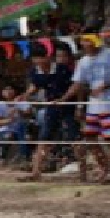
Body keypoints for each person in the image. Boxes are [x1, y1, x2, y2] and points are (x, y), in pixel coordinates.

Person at [60, 34, 110, 182]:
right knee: (90, 137)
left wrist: (104, 86)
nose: (85, 44)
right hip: (93, 105)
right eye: (83, 41)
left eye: (87, 41)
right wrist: (64, 99)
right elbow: (78, 84)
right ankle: (105, 168)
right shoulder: (83, 61)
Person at [25, 43, 78, 180]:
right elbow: (35, 86)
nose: (39, 62)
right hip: (52, 106)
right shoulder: (35, 71)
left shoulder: (62, 69)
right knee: (44, 138)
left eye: (40, 59)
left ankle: (83, 171)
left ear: (48, 57)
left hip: (69, 106)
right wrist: (25, 95)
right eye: (35, 59)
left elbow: (75, 85)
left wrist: (64, 99)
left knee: (74, 137)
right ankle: (36, 172)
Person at [0, 85, 31, 165]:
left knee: (27, 135)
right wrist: (10, 120)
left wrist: (17, 107)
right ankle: (2, 157)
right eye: (6, 89)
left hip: (22, 129)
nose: (8, 91)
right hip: (5, 130)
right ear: (2, 93)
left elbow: (29, 114)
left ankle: (26, 159)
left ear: (14, 91)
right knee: (9, 135)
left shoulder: (23, 102)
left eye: (10, 89)